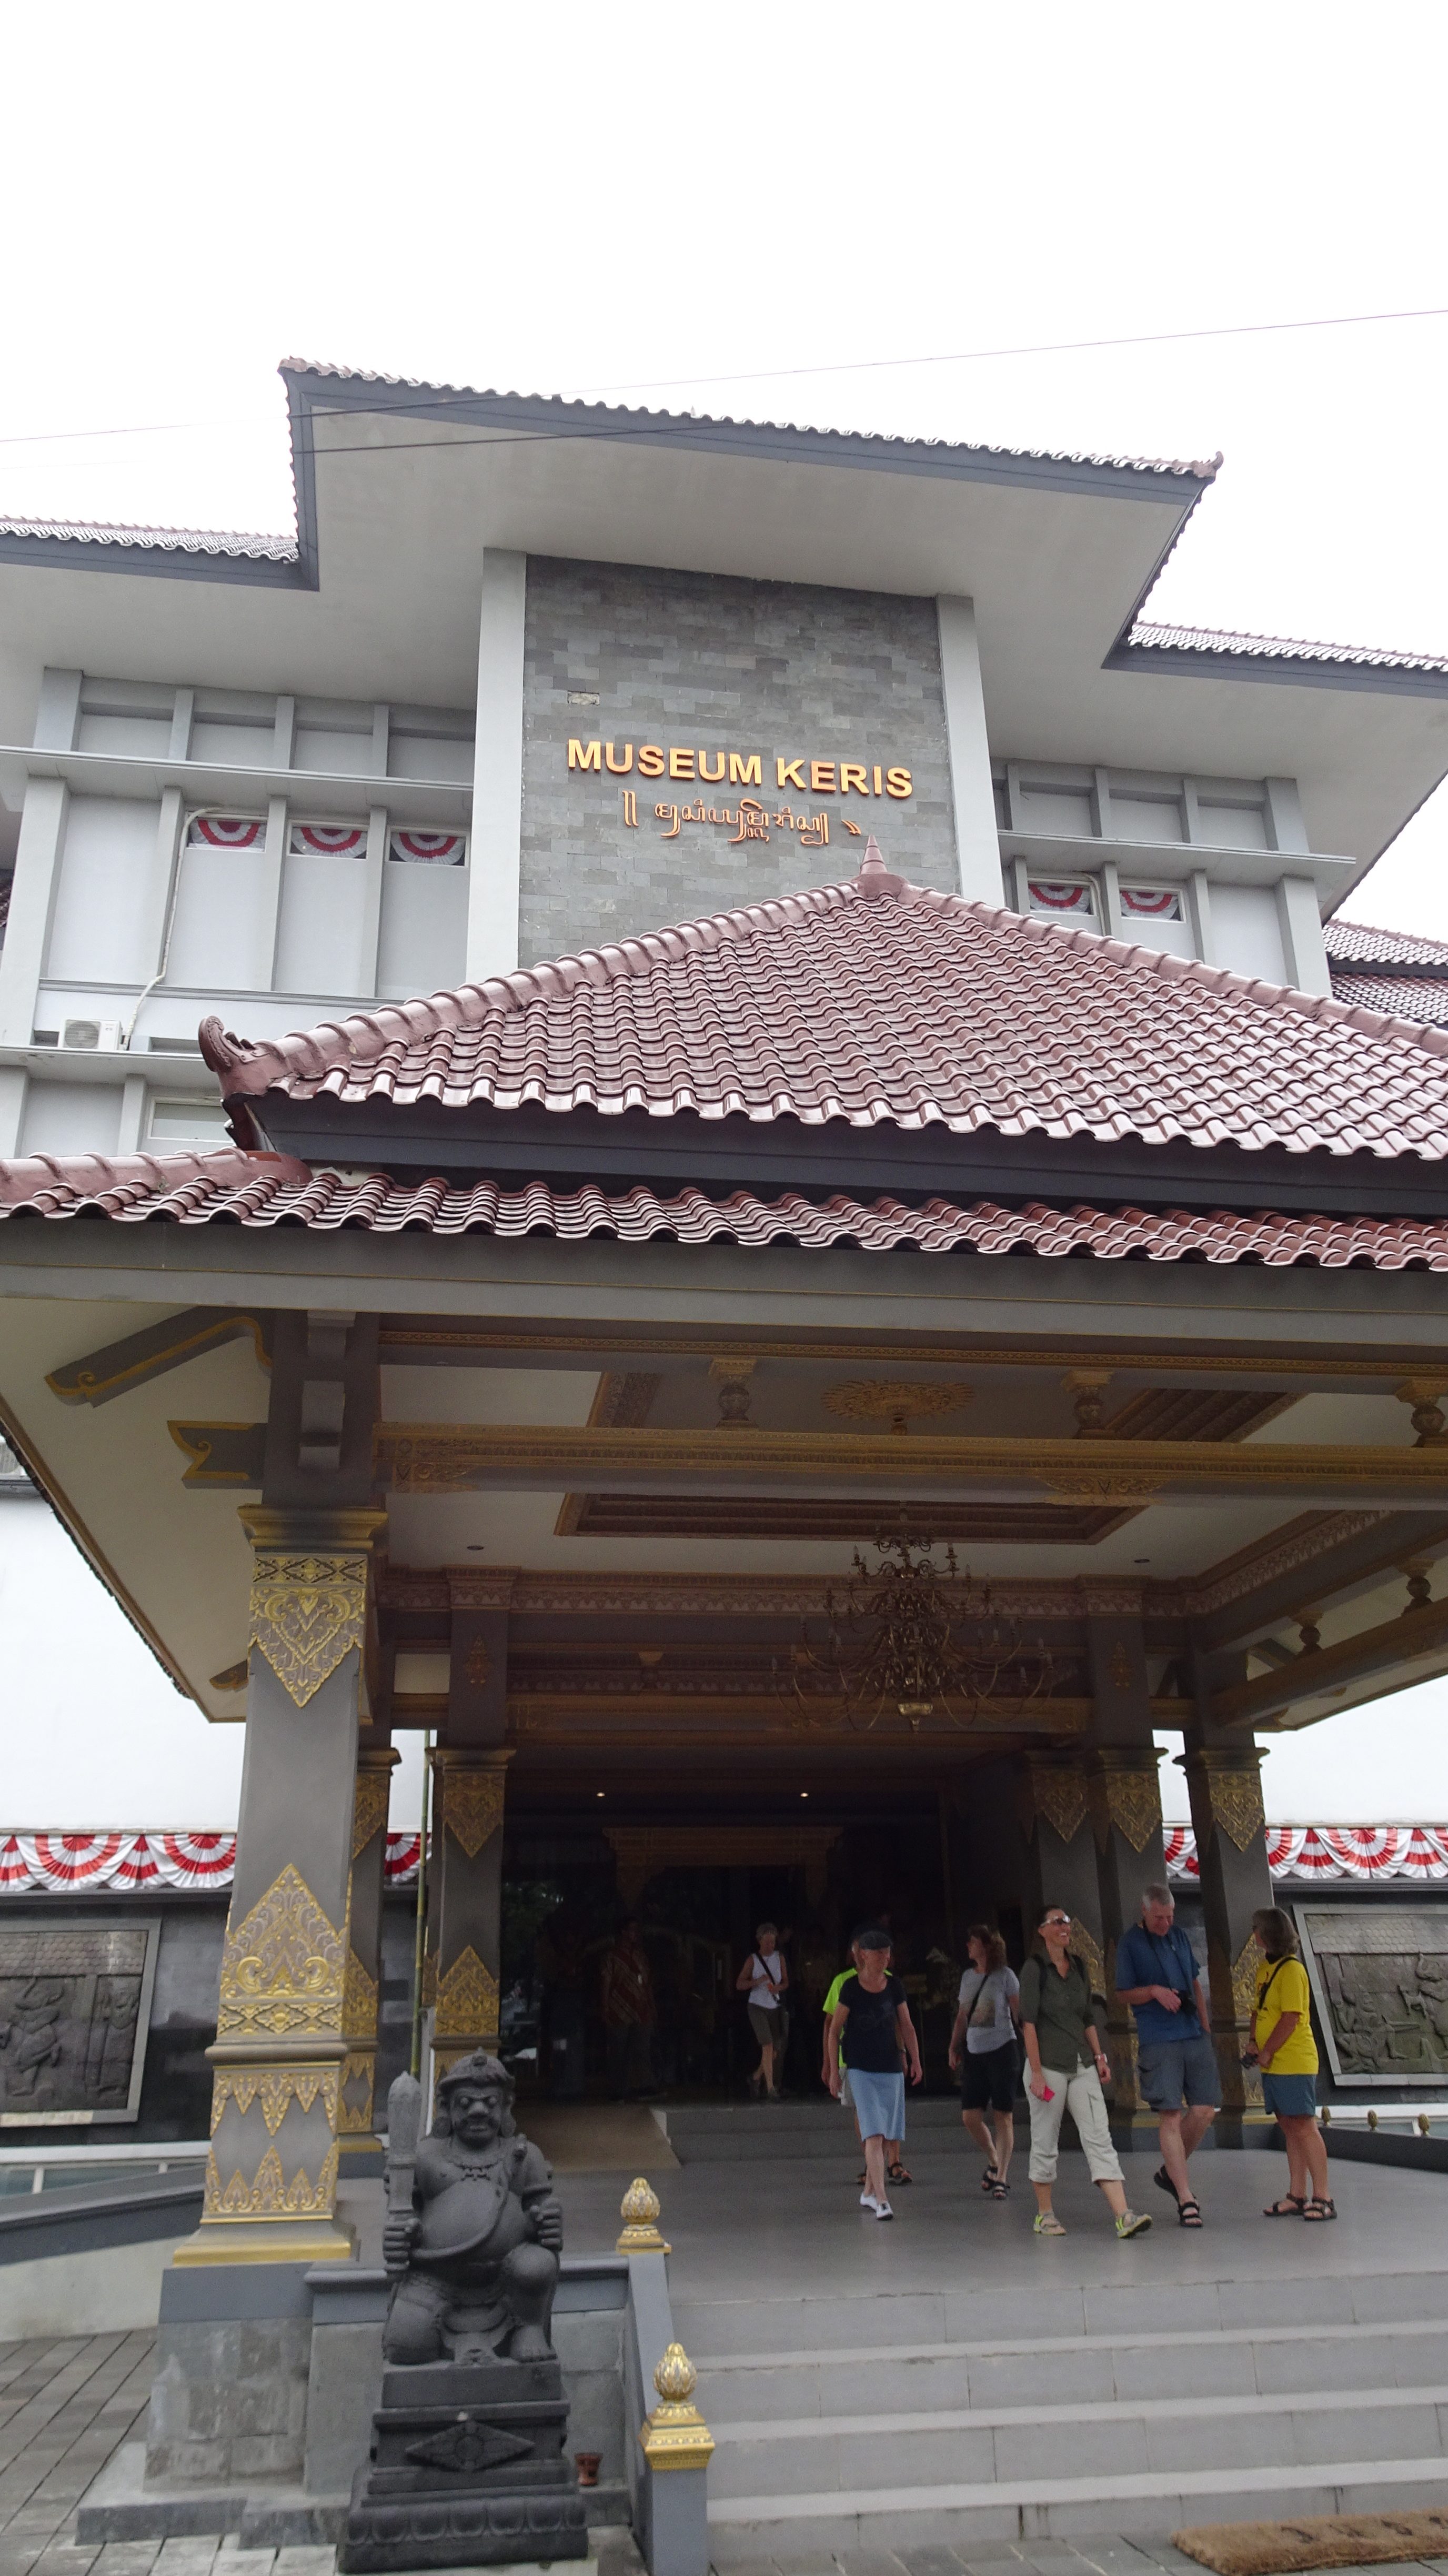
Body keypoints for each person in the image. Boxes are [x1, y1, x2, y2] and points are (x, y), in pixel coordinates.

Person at [1019, 1902, 1151, 2240]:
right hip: (1048, 2065)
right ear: (1042, 1931)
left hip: (1082, 2063)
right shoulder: (1034, 1969)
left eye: (1066, 1921)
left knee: (1099, 2136)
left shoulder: (1077, 1965)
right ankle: (1045, 2214)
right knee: (1045, 2139)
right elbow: (1028, 2023)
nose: (1065, 1926)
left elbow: (1088, 2017)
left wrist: (1099, 2056)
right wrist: (1036, 2073)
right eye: (1057, 1922)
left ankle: (1123, 2215)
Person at [1114, 1879, 1219, 2227]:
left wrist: (1205, 2026)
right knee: (1170, 2115)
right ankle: (1186, 2197)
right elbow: (1123, 1993)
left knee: (1204, 2110)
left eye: (1170, 1916)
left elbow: (1195, 1983)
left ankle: (1170, 2173)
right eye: (1159, 1918)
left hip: (1193, 2032)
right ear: (1145, 1912)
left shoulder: (1179, 1937)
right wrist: (1154, 1992)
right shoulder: (1130, 1943)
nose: (1165, 1923)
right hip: (1159, 2037)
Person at [827, 1924, 923, 2219]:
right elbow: (834, 2031)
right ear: (864, 1955)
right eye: (879, 1953)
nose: (885, 1958)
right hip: (860, 2068)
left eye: (887, 1953)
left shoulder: (895, 1986)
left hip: (890, 2068)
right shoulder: (851, 1987)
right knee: (874, 2133)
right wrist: (834, 2070)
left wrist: (915, 2059)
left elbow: (906, 2024)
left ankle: (869, 2192)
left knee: (885, 2134)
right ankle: (882, 2200)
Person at [1248, 1906, 1333, 2220]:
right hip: (1273, 2064)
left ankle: (1323, 2196)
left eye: (1257, 1928)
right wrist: (1253, 2041)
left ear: (1268, 1933)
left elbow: (1291, 2018)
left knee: (1304, 2126)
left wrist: (1268, 2050)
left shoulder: (1293, 1970)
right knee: (1288, 2126)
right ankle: (1297, 2195)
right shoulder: (1265, 1969)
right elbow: (1259, 2010)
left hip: (1294, 2061)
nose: (1254, 1934)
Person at [948, 1924, 1020, 2199]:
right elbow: (962, 2015)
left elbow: (1018, 2013)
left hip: (1002, 2050)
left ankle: (1001, 2177)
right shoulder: (968, 1977)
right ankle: (993, 2158)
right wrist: (954, 2045)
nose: (968, 1945)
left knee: (1003, 2114)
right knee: (970, 2116)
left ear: (987, 1946)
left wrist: (1031, 2046)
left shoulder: (1006, 1976)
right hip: (975, 2053)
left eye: (973, 1941)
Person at [600, 1917, 658, 2101]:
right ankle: (619, 2090)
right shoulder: (612, 1957)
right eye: (632, 1930)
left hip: (641, 2009)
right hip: (619, 2008)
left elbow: (647, 1983)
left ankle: (645, 2085)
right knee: (619, 2050)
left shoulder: (641, 1956)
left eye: (637, 1930)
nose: (635, 1934)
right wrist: (605, 2007)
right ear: (623, 1932)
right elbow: (606, 1982)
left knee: (642, 2049)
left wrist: (652, 2006)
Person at [736, 1921, 790, 2099]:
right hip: (757, 2005)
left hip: (774, 2006)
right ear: (759, 1941)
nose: (770, 1946)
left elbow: (786, 1982)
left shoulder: (779, 1958)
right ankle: (770, 2088)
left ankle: (755, 2077)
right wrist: (756, 1982)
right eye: (767, 1942)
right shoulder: (753, 1960)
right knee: (767, 2045)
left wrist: (778, 1988)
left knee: (775, 2050)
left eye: (773, 1942)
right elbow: (739, 1984)